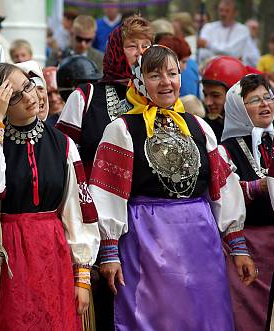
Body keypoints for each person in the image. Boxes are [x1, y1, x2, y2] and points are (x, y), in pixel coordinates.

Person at [89, 45, 255, 331]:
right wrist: (110, 251)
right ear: (140, 81)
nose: (166, 82)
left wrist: (237, 244)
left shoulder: (199, 126)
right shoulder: (122, 129)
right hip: (148, 243)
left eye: (172, 73)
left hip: (200, 243)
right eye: (155, 75)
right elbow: (107, 194)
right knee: (156, 318)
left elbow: (222, 187)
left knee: (204, 316)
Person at [0, 63, 100, 330]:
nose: (29, 97)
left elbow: (76, 208)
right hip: (6, 255)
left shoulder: (62, 144)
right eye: (14, 96)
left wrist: (81, 273)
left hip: (53, 250)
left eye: (27, 86)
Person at [57, 14, 153, 180]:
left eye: (146, 46)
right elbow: (62, 154)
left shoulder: (158, 99)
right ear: (116, 51)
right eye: (132, 46)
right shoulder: (86, 96)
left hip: (143, 202)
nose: (141, 53)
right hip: (94, 198)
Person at [220, 74, 274, 331]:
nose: (265, 105)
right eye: (254, 100)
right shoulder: (226, 148)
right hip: (248, 245)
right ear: (237, 108)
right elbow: (222, 192)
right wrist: (259, 187)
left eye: (268, 97)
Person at [201, 56, 248, 141]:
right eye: (205, 95)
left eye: (215, 96)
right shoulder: (203, 130)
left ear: (236, 96)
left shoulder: (256, 130)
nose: (208, 102)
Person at [197, 0, 250, 65]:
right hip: (209, 68)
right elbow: (203, 54)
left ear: (235, 12)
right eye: (221, 10)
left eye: (227, 11)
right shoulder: (208, 28)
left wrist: (208, 45)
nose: (223, 14)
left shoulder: (242, 30)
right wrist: (225, 54)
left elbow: (233, 52)